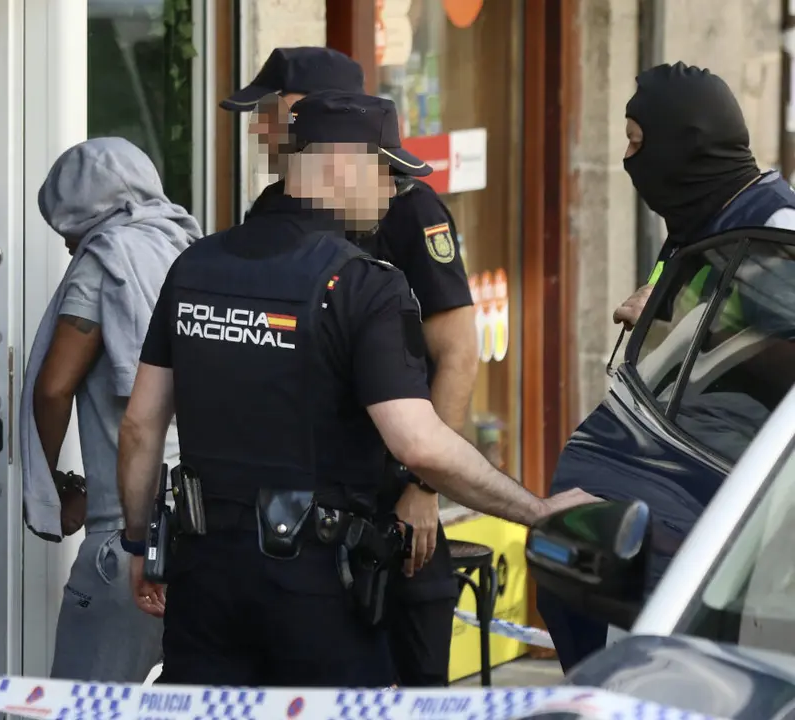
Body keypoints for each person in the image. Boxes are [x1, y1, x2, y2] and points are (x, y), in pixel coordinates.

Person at [115, 90, 598, 688]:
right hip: (316, 592)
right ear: (341, 164)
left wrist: (141, 544)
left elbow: (140, 427)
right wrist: (538, 511)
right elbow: (417, 444)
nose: (395, 190)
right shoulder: (363, 285)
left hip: (204, 579)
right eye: (387, 170)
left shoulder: (195, 266)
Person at [221, 46, 479, 687]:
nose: (254, 127)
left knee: (414, 685)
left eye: (264, 111)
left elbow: (458, 350)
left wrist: (424, 487)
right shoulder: (269, 214)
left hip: (395, 504)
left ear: (307, 114)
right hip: (303, 524)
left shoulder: (405, 205)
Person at [542, 61, 795, 673]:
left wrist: (684, 320)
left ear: (688, 147)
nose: (628, 162)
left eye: (636, 143)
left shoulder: (775, 235)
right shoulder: (698, 227)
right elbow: (669, 299)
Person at [19, 137, 200, 682]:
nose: (70, 247)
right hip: (203, 531)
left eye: (69, 231)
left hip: (129, 538)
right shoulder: (191, 252)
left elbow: (53, 388)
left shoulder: (106, 257)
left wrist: (49, 483)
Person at [611, 61, 795, 329]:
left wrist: (671, 330)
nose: (627, 156)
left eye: (637, 142)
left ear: (680, 150)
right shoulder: (692, 226)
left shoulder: (774, 232)